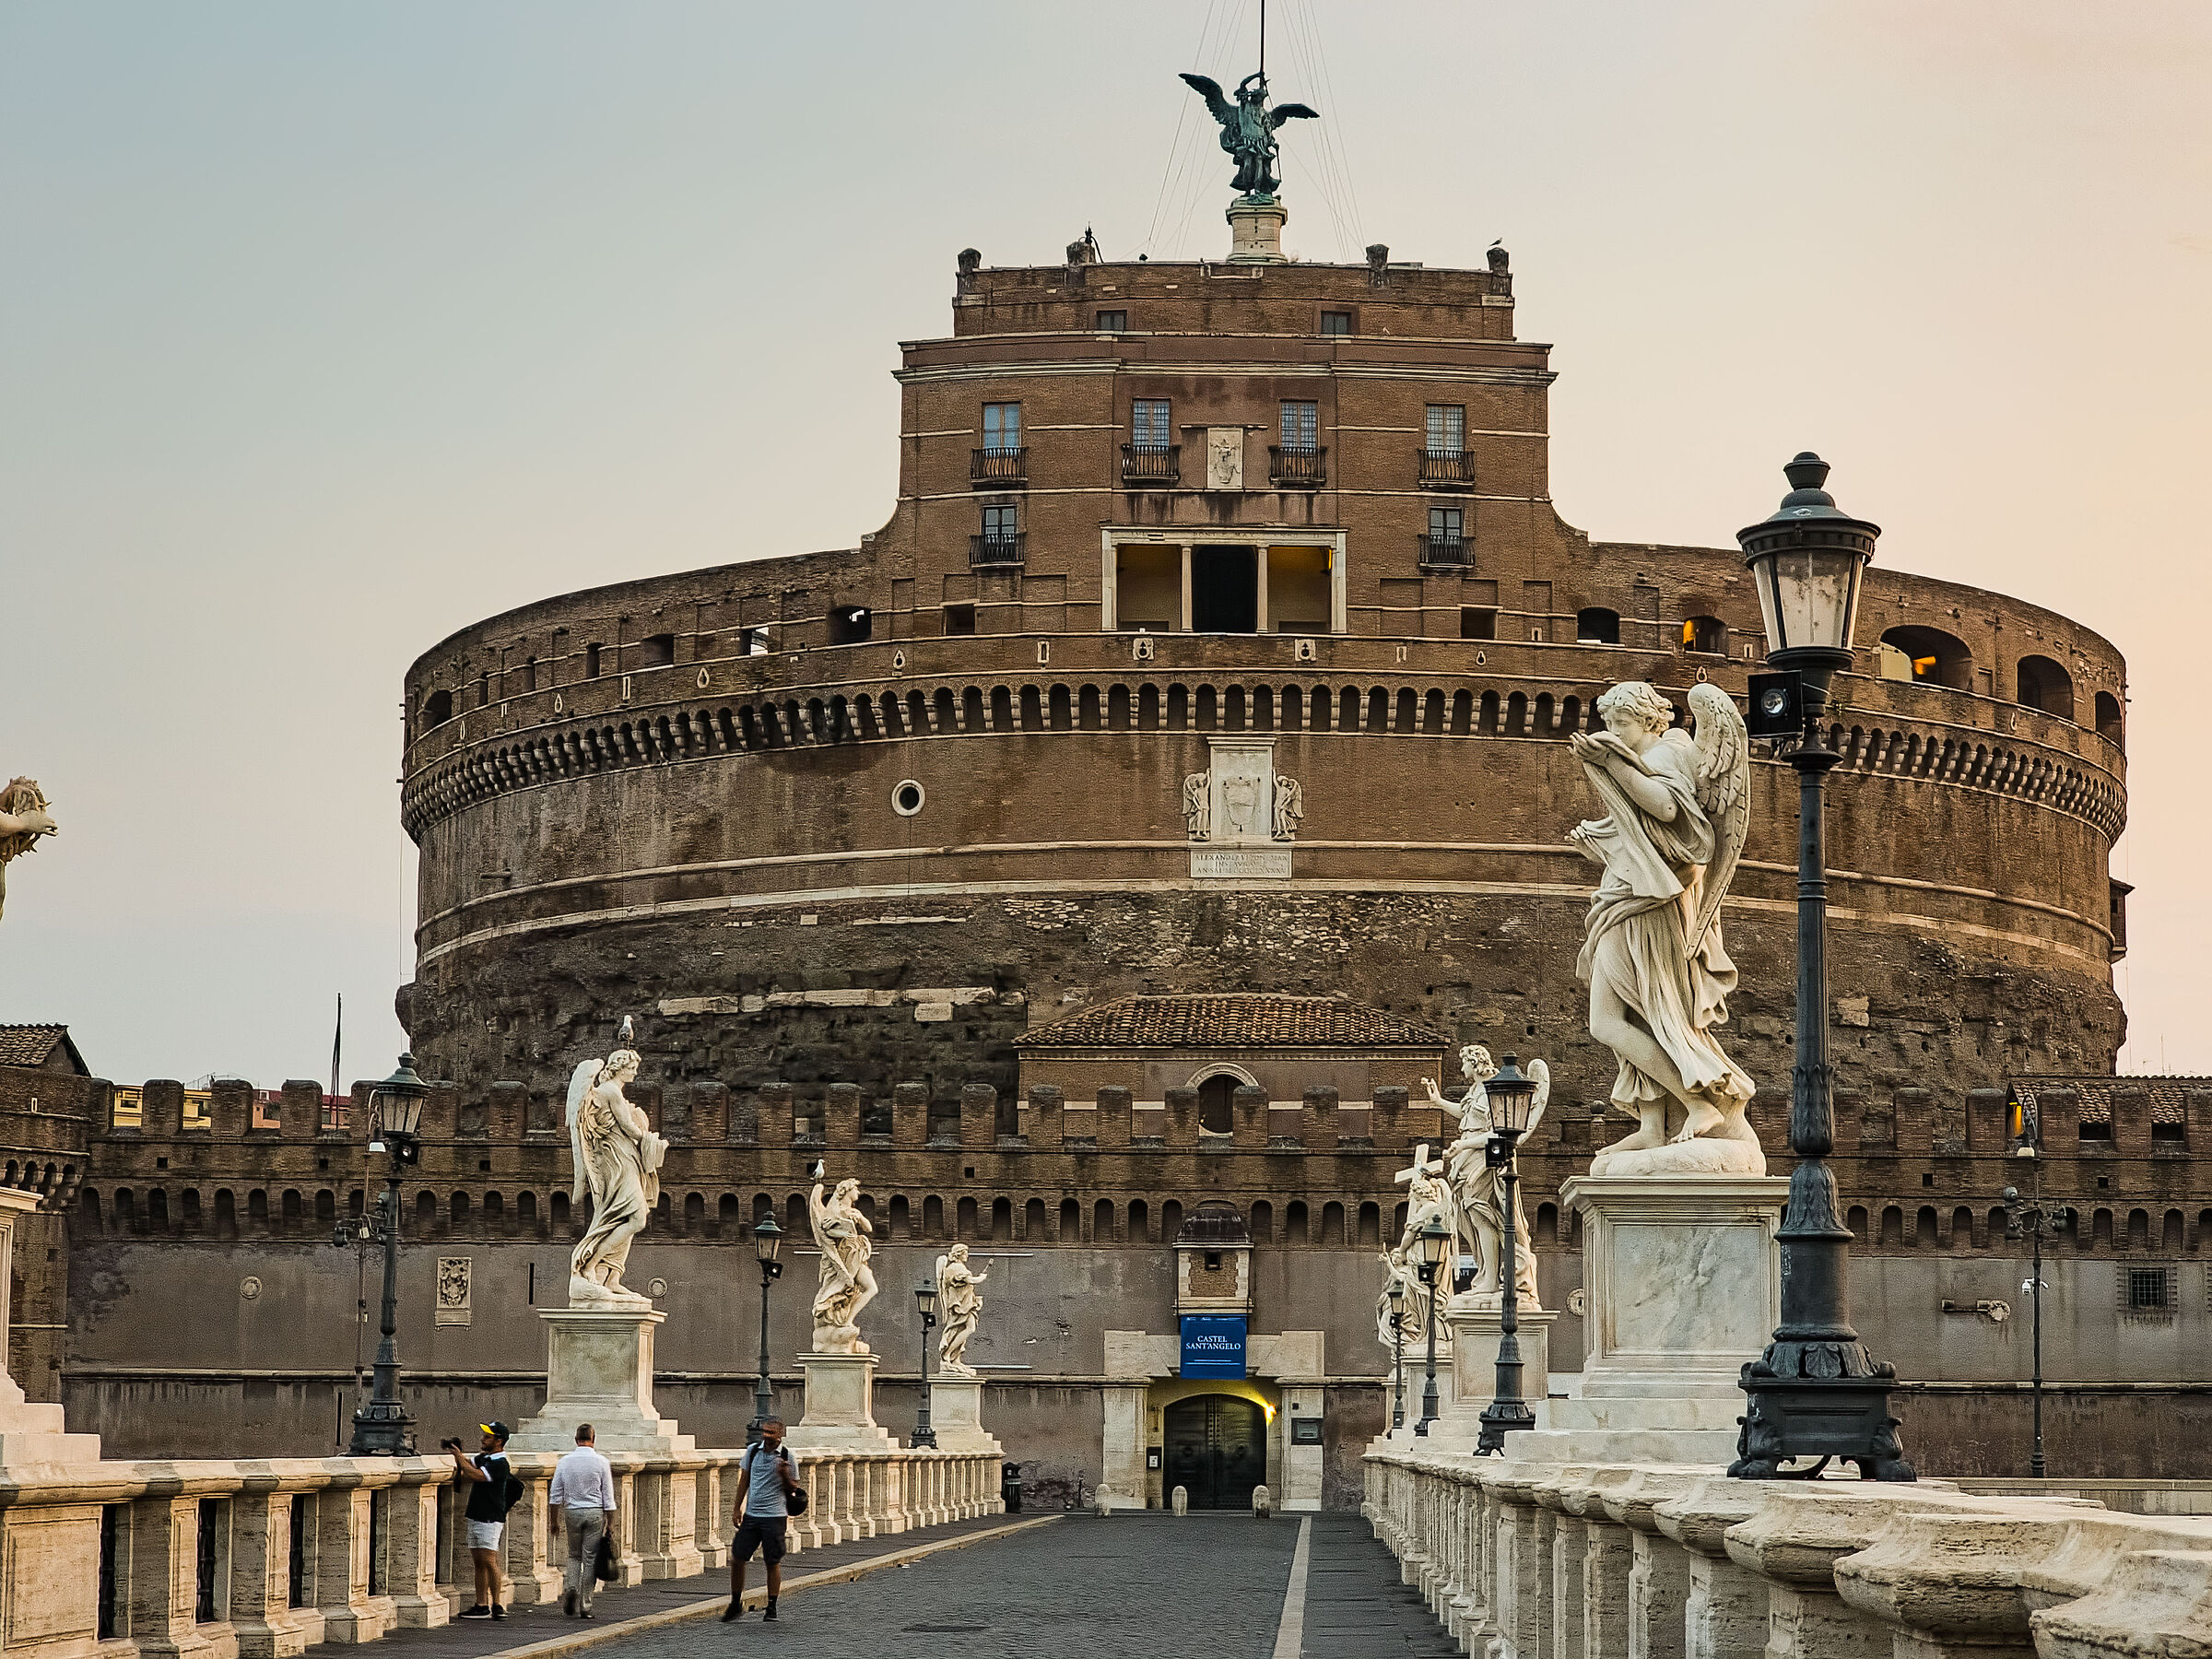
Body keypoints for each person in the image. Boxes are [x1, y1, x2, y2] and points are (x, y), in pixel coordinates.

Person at [721, 1417, 799, 1623]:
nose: (766, 1435)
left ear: (780, 1434)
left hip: (775, 1516)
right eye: (764, 1431)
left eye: (771, 1432)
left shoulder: (788, 1456)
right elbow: (744, 1480)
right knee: (737, 1558)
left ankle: (771, 1606)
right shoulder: (753, 1451)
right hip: (752, 1515)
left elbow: (794, 1489)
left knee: (772, 1562)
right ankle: (735, 1603)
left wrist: (784, 1475)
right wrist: (736, 1508)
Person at [547, 1422, 618, 1619]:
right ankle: (586, 1605)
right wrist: (610, 1523)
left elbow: (555, 1495)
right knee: (590, 1559)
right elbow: (608, 1497)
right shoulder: (601, 1462)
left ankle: (571, 1588)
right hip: (594, 1512)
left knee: (574, 1555)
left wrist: (554, 1521)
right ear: (593, 1439)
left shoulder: (565, 1462)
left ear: (576, 1439)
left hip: (572, 1511)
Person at [446, 1421, 513, 1618]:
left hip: (490, 1517)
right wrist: (458, 1453)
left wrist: (458, 1456)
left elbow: (475, 1474)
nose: (483, 1439)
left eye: (488, 1437)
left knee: (489, 1560)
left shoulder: (500, 1463)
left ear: (499, 1441)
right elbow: (470, 1464)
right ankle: (481, 1604)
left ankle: (497, 1604)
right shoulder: (485, 1458)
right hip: (477, 1514)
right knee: (478, 1562)